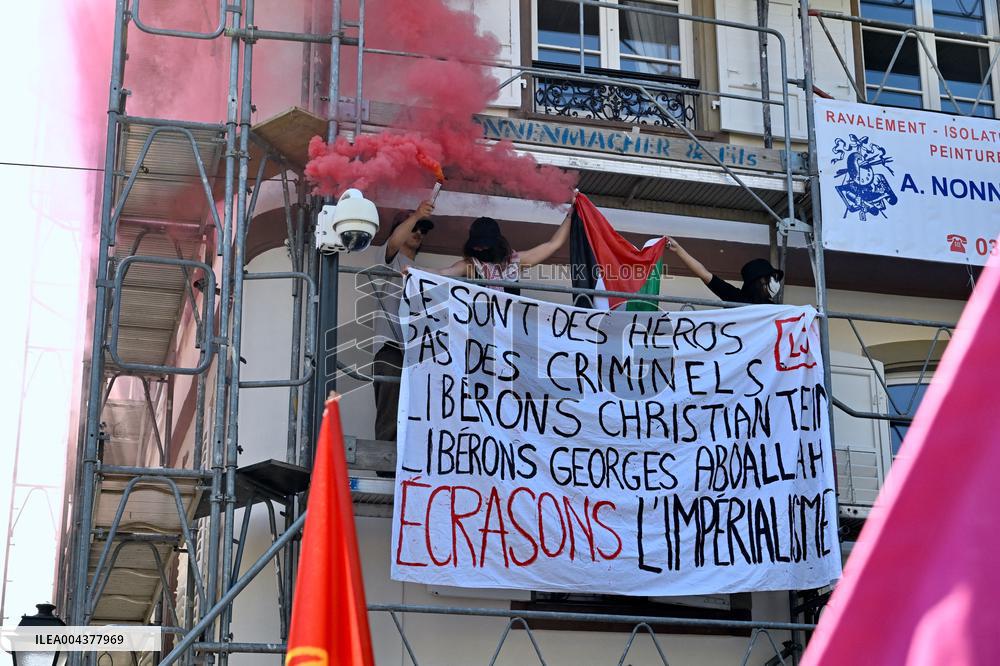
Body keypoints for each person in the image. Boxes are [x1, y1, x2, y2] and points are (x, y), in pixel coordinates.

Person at [371, 201, 434, 446]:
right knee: (390, 410)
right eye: (414, 227)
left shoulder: (423, 272)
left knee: (418, 411)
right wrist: (417, 214)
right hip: (391, 347)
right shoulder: (387, 259)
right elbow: (393, 243)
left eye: (423, 230)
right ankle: (386, 460)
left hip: (418, 353)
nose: (419, 232)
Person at [436, 196, 575, 289]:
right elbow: (443, 272)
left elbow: (553, 245)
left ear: (496, 244)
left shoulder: (514, 263)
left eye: (484, 245)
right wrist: (419, 271)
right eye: (476, 246)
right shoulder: (469, 266)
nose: (480, 249)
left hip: (509, 325)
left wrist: (570, 215)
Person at [664, 235, 783, 305]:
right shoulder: (736, 297)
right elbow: (705, 275)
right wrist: (678, 249)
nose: (776, 282)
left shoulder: (776, 310)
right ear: (761, 280)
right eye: (773, 277)